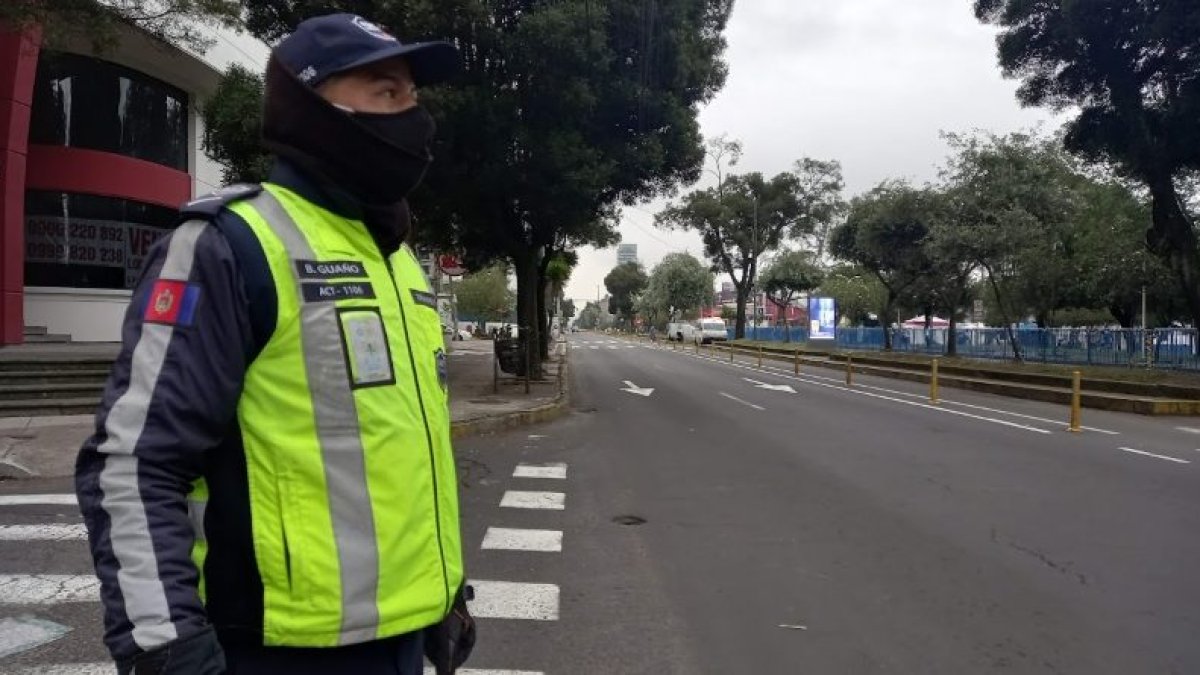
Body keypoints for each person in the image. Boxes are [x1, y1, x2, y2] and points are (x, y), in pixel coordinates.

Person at [75, 13, 475, 675]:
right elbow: (131, 464)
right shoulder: (229, 245)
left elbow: (401, 454)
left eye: (413, 96)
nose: (414, 117)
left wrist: (444, 595)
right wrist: (167, 652)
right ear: (316, 111)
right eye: (387, 92)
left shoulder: (400, 263)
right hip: (274, 650)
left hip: (401, 643)